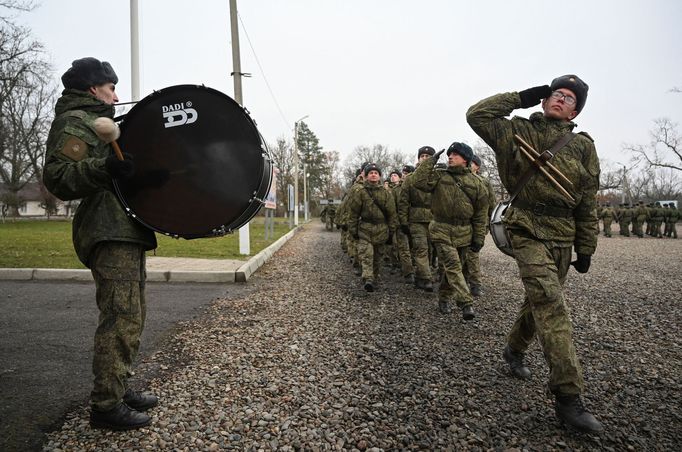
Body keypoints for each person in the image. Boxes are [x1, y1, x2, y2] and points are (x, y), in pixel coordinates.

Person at [466, 74, 603, 433]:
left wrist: (586, 246)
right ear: (545, 99)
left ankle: (513, 349)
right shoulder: (517, 131)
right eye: (556, 93)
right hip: (525, 226)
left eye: (569, 98)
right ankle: (568, 397)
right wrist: (522, 96)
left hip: (563, 235)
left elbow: (587, 202)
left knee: (537, 301)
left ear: (576, 111)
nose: (560, 99)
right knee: (551, 304)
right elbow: (476, 115)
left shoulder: (583, 146)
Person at [43, 58, 159, 430]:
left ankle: (119, 387)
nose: (116, 94)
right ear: (94, 88)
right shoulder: (77, 122)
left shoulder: (106, 123)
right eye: (111, 87)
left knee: (132, 315)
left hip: (124, 228)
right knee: (119, 318)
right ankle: (106, 406)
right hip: (108, 230)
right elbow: (58, 177)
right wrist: (104, 168)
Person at [411, 143, 487, 319]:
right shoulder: (439, 176)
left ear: (466, 159)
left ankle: (444, 298)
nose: (450, 157)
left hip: (464, 231)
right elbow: (417, 182)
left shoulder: (477, 183)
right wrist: (430, 161)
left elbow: (481, 214)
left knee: (452, 270)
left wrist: (478, 238)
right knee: (452, 265)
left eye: (456, 155)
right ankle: (466, 302)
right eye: (449, 154)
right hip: (441, 229)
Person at [347, 163, 398, 291]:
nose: (373, 175)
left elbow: (392, 214)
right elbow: (353, 213)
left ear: (380, 176)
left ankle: (374, 277)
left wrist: (392, 232)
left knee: (377, 257)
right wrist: (353, 230)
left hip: (381, 229)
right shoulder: (361, 192)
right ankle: (368, 278)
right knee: (366, 255)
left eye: (376, 173)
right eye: (371, 173)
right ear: (366, 176)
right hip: (365, 228)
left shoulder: (386, 194)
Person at [398, 146, 437, 292]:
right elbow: (403, 201)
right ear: (418, 159)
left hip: (435, 219)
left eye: (428, 156)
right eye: (423, 156)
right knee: (421, 249)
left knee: (433, 250)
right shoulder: (410, 179)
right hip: (416, 219)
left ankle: (425, 275)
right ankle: (426, 279)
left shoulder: (439, 176)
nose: (425, 158)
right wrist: (403, 221)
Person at [463, 154, 497, 296]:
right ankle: (463, 280)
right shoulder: (460, 180)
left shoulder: (484, 182)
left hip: (478, 223)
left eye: (471, 163)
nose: (469, 166)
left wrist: (489, 223)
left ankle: (475, 284)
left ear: (477, 166)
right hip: (464, 223)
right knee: (462, 252)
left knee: (472, 253)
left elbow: (491, 204)